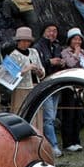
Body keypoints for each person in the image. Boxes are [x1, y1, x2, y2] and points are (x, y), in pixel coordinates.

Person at [35, 24, 65, 157]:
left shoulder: (57, 46)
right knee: (48, 117)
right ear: (43, 32)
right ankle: (53, 145)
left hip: (56, 84)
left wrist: (61, 62)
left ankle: (50, 144)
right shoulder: (38, 46)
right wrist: (49, 62)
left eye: (55, 31)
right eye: (49, 31)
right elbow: (38, 64)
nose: (52, 33)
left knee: (52, 116)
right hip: (45, 84)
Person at [60, 28, 84, 152]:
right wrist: (76, 53)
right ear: (70, 40)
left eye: (79, 39)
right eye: (75, 39)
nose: (77, 41)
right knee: (69, 115)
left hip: (81, 85)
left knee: (78, 115)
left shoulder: (83, 52)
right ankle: (68, 142)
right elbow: (71, 63)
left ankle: (76, 141)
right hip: (70, 86)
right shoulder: (65, 52)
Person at [6, 27, 45, 115]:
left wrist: (39, 72)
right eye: (23, 41)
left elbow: (42, 70)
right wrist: (26, 69)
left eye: (28, 41)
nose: (26, 43)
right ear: (18, 41)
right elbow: (10, 76)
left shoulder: (34, 52)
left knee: (35, 112)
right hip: (21, 88)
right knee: (22, 112)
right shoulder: (13, 55)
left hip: (35, 86)